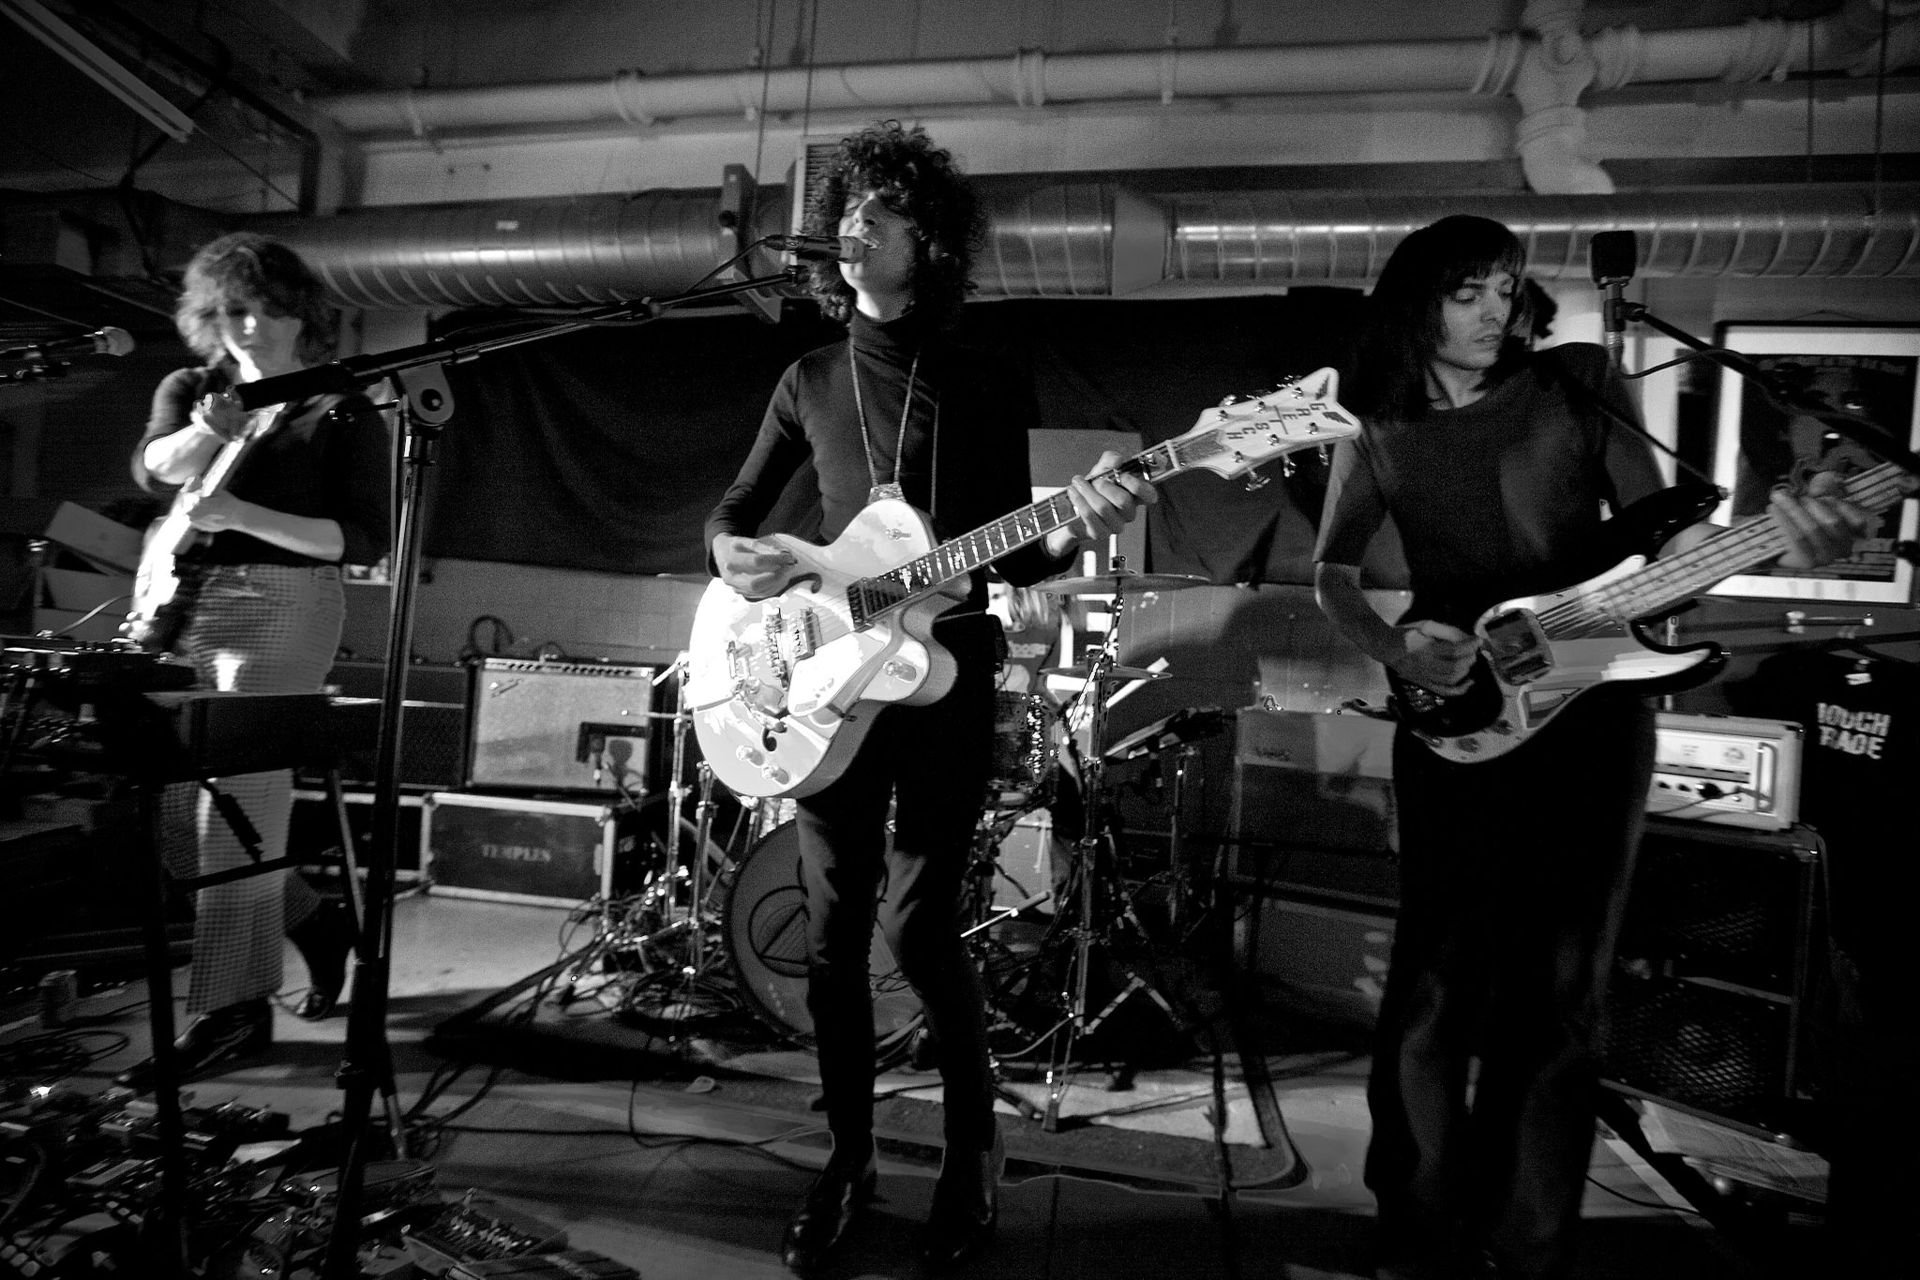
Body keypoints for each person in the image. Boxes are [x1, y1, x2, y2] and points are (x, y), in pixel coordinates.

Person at [1310, 214, 1871, 1280]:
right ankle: (1418, 1230)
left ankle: (1529, 1243)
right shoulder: (1375, 421)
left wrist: (1768, 541)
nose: (1495, 310)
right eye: (1469, 292)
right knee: (1432, 983)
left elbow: (1669, 533)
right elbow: (1333, 574)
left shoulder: (1575, 380)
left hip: (1594, 714)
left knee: (1562, 988)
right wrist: (1393, 646)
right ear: (1416, 300)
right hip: (1456, 712)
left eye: (1506, 288)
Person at [705, 121, 1153, 1275]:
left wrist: (1080, 523)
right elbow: (734, 514)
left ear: (932, 239)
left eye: (883, 210)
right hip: (825, 685)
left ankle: (969, 1150)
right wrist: (730, 555)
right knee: (832, 931)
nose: (856, 225)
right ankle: (848, 1157)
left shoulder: (982, 373)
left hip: (945, 677)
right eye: (849, 210)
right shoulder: (807, 377)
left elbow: (1018, 548)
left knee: (918, 924)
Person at [115, 231, 391, 1089]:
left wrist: (239, 515)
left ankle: (234, 1014)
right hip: (179, 608)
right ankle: (313, 923)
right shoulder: (194, 388)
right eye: (231, 311)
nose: (247, 326)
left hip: (284, 605)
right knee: (175, 818)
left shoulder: (340, 406)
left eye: (266, 309)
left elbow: (361, 540)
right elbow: (154, 469)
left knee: (234, 808)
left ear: (300, 314)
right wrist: (204, 436)